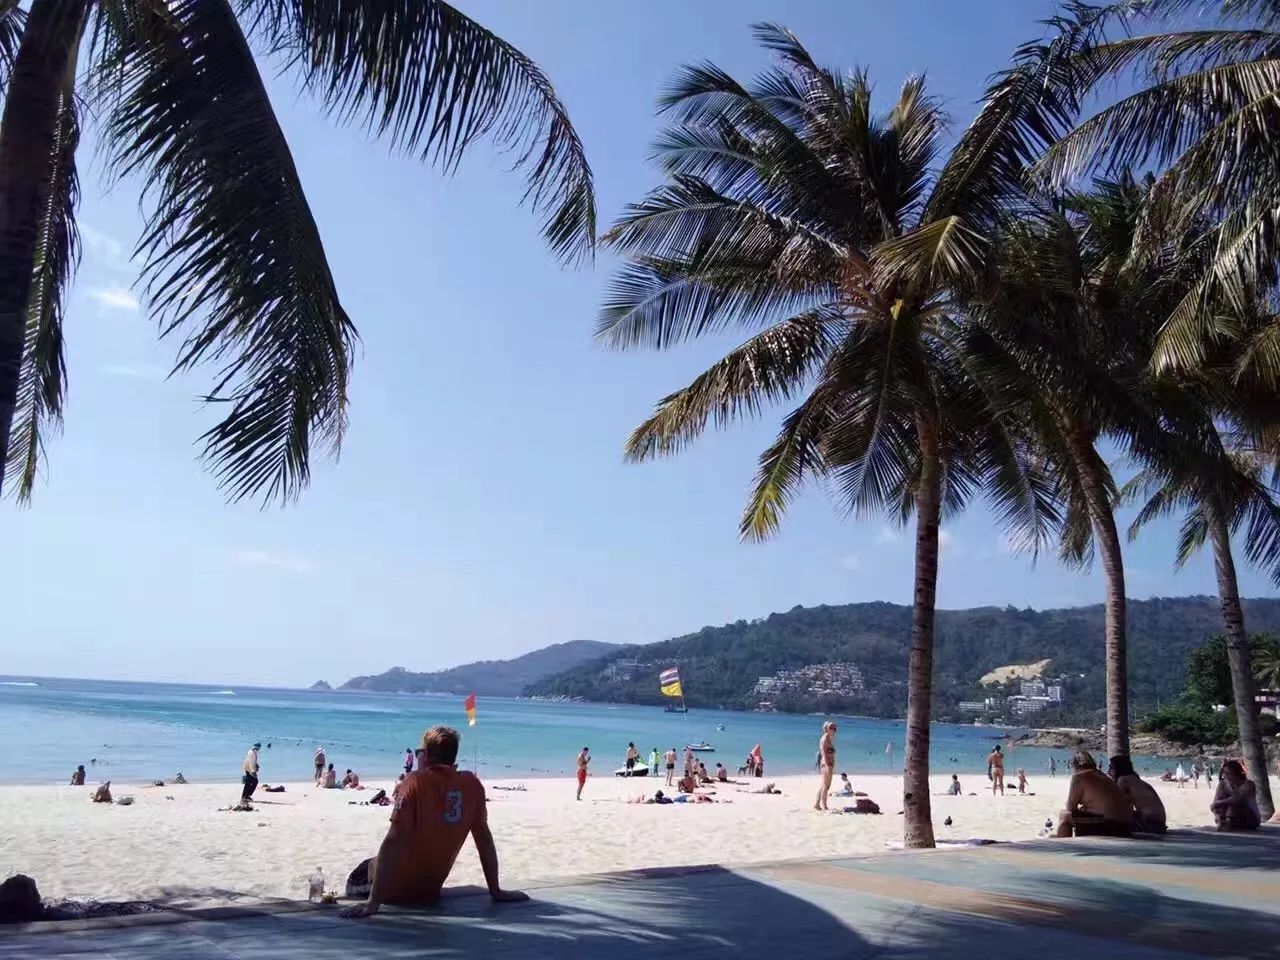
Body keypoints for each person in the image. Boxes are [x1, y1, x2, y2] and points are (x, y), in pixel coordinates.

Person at [340, 725, 526, 918]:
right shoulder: (472, 784)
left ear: (425, 755)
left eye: (420, 752)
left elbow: (394, 842)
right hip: (428, 890)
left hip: (390, 889)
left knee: (359, 875)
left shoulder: (415, 783)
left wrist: (373, 902)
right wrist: (495, 889)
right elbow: (484, 839)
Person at [1055, 749, 1135, 838]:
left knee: (1064, 815)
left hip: (1106, 825)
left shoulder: (1079, 777)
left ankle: (1064, 846)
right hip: (1126, 826)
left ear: (1074, 765)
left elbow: (1070, 808)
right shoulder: (1104, 776)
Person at [1108, 755, 1166, 834]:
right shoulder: (1134, 779)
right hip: (1159, 822)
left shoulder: (1123, 780)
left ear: (1117, 768)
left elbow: (1116, 802)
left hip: (1150, 822)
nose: (1109, 770)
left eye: (1111, 767)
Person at [1210, 759, 1260, 831]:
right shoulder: (1223, 785)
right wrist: (1217, 814)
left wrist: (1218, 803)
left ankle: (1229, 823)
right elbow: (1215, 803)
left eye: (1228, 773)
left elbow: (1237, 799)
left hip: (1250, 818)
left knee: (1233, 805)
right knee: (1219, 806)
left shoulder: (1248, 784)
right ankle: (1223, 822)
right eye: (1224, 773)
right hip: (1228, 818)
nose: (1225, 776)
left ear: (1236, 773)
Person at [815, 722, 836, 811]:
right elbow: (824, 752)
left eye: (835, 729)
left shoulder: (828, 739)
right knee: (826, 786)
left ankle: (817, 804)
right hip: (827, 764)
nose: (834, 730)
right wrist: (827, 765)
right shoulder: (825, 739)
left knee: (824, 785)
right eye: (832, 728)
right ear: (827, 729)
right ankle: (824, 806)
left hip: (827, 764)